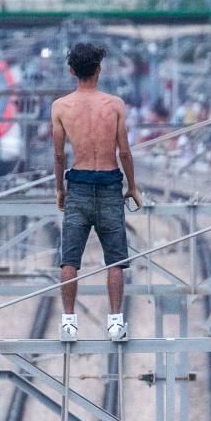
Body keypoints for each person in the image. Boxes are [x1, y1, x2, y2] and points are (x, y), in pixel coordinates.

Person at [52, 41, 143, 342]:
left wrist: (60, 190)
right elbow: (125, 152)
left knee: (69, 260)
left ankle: (68, 323)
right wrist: (133, 186)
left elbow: (59, 156)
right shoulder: (114, 105)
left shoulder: (61, 107)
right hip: (108, 185)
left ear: (71, 71)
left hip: (76, 185)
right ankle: (115, 323)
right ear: (99, 70)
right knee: (115, 260)